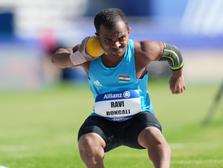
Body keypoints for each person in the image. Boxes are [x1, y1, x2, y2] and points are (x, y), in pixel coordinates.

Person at [51, 8, 186, 168]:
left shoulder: (141, 52)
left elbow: (173, 53)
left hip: (138, 118)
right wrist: (78, 57)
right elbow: (56, 59)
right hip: (104, 120)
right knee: (87, 142)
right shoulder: (87, 56)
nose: (116, 45)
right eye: (108, 40)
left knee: (155, 138)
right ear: (97, 37)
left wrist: (177, 76)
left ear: (129, 32)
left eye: (121, 38)